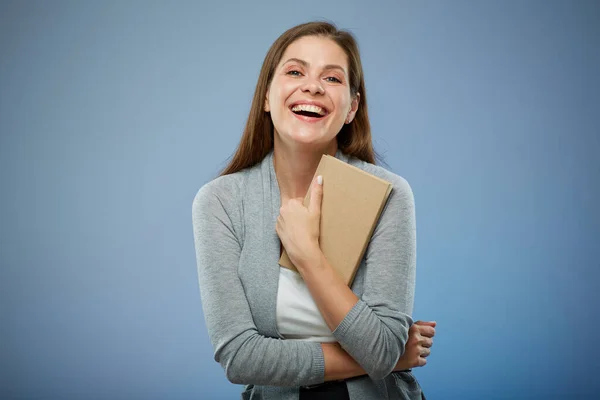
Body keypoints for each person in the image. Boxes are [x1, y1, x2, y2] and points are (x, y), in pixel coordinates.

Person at [192, 21, 436, 400]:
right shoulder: (221, 201)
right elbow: (239, 357)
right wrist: (384, 358)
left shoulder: (390, 195)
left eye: (333, 78)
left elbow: (384, 349)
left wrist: (307, 256)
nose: (312, 86)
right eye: (294, 71)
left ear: (352, 107)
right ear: (267, 98)